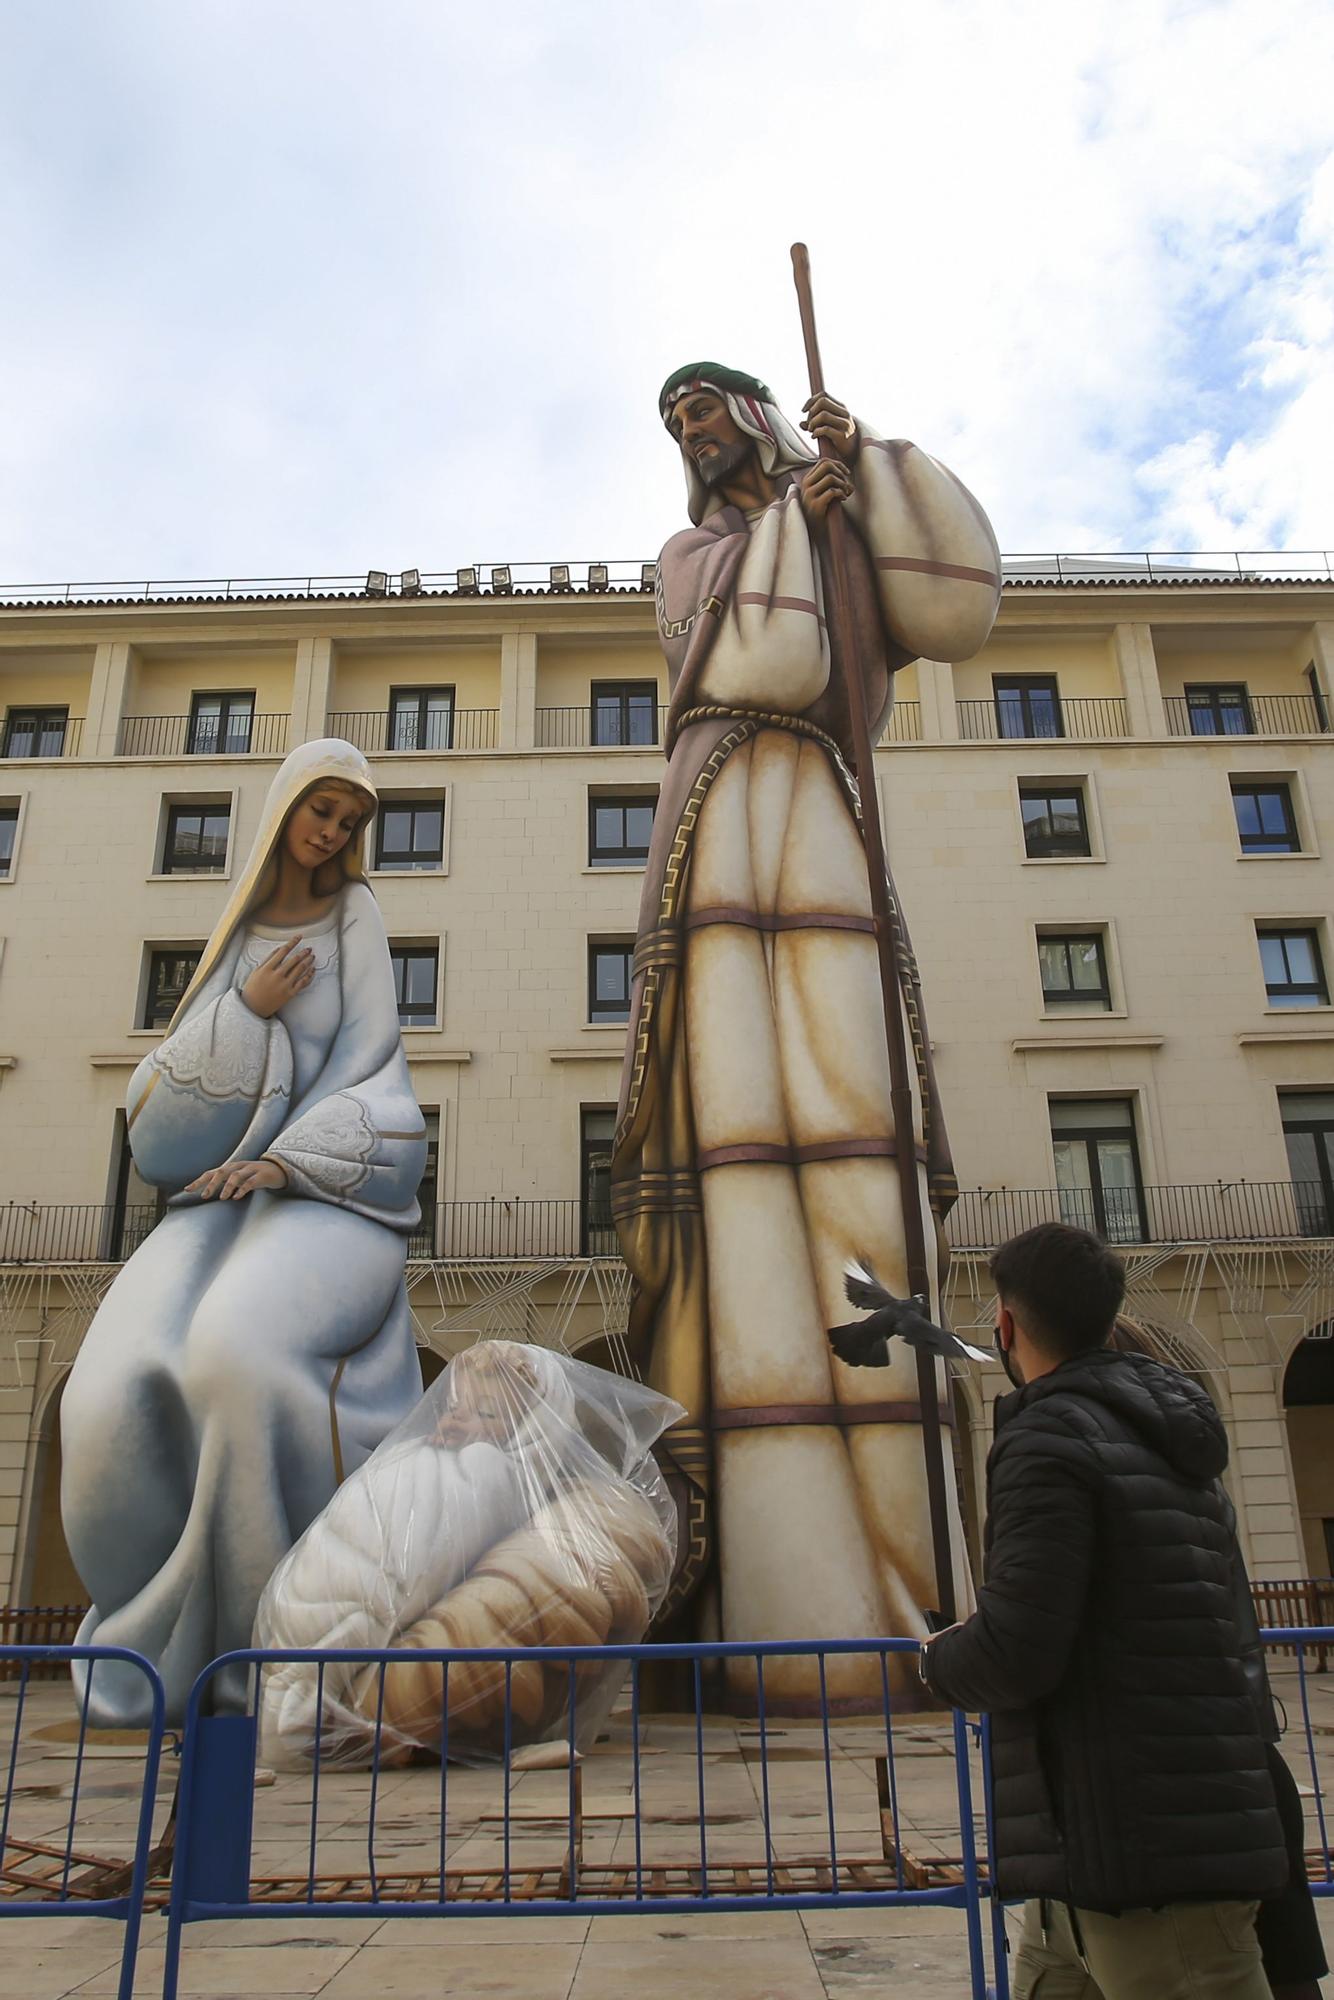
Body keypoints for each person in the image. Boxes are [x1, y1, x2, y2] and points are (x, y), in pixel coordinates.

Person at [610, 361, 1001, 1707]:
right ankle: (781, 1592)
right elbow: (749, 657)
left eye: (706, 404)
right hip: (724, 816)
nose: (691, 428)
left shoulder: (820, 517)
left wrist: (870, 464)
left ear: (759, 415)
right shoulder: (685, 555)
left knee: (855, 1144)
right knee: (742, 1163)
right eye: (673, 420)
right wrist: (797, 525)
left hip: (822, 820)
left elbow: (952, 610)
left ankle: (905, 1574)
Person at [61, 739, 428, 1725]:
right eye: (323, 808)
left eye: (352, 819)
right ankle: (159, 1634)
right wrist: (244, 1010)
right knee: (109, 1385)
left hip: (326, 1192)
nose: (335, 831)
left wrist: (286, 1160)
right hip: (216, 1204)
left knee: (238, 1355)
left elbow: (375, 1071)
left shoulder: (357, 915)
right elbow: (158, 1119)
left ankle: (282, 1654)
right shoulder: (234, 943)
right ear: (285, 808)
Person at [920, 1222, 1288, 1999]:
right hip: (1106, 1856)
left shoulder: (1048, 1438)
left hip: (1140, 1861)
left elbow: (1019, 1645)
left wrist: (936, 1658)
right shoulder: (1181, 1442)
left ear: (1007, 1325)